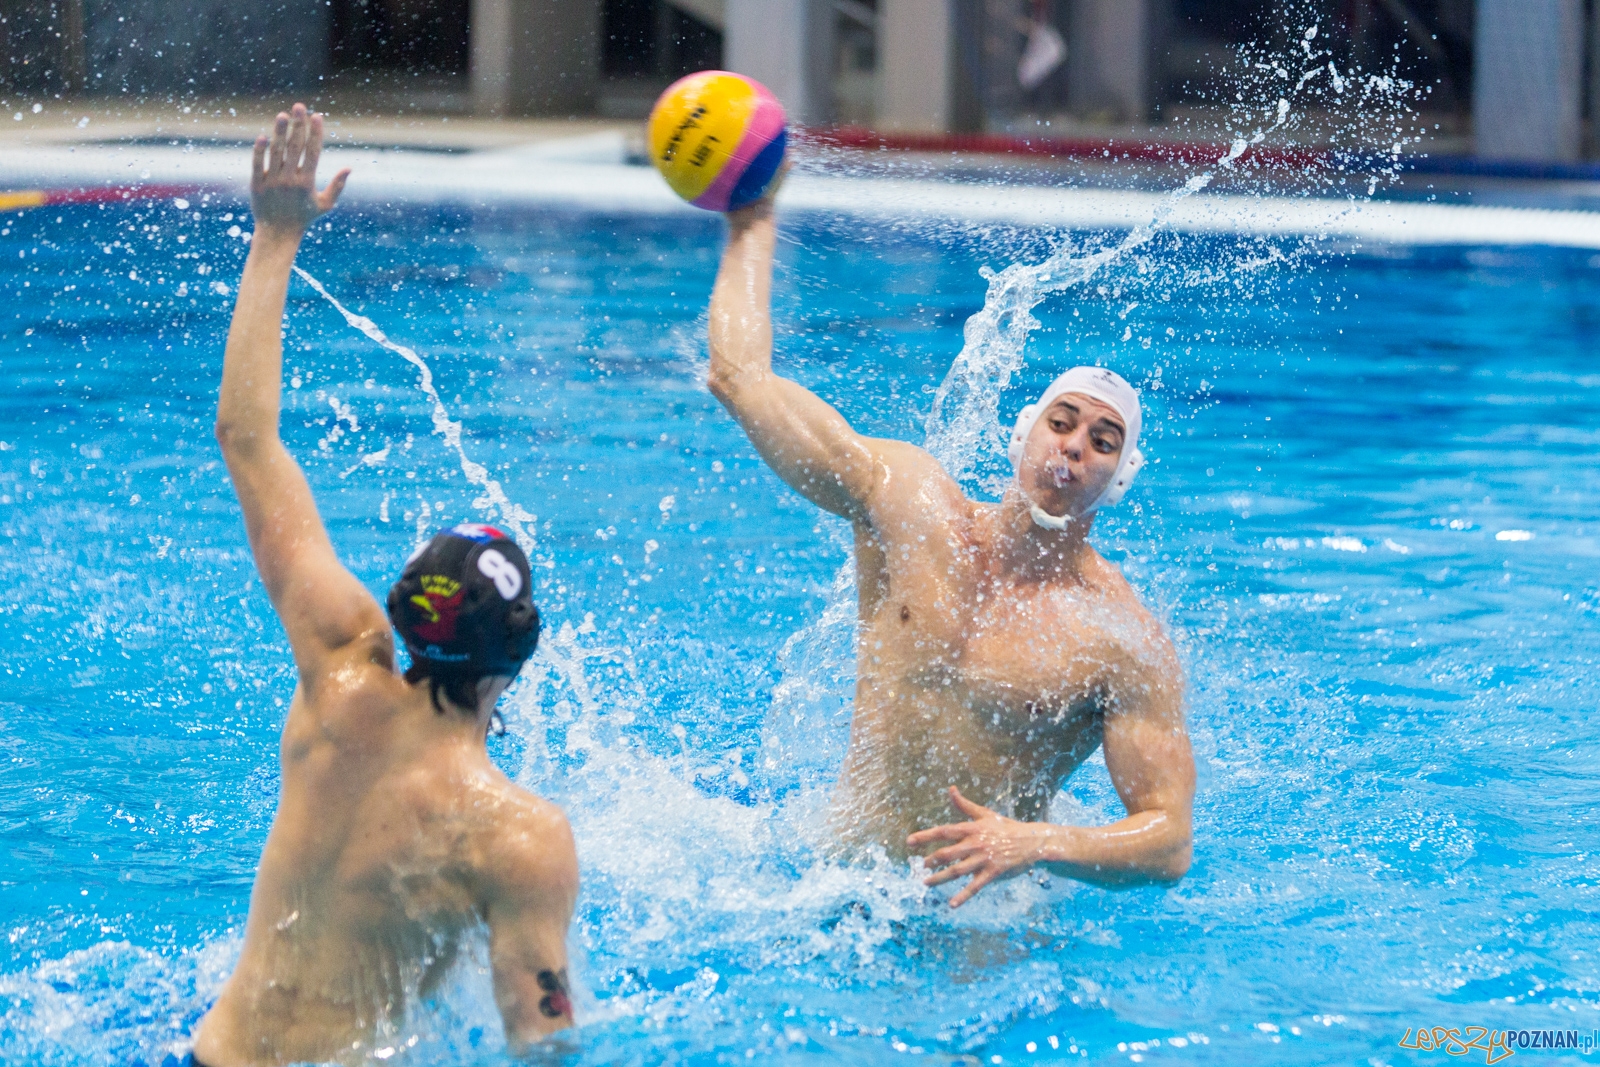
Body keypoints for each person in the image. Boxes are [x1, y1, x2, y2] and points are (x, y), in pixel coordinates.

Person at [191, 104, 577, 1067]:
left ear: (407, 613)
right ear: (521, 650)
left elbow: (247, 439)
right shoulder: (519, 836)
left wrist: (277, 235)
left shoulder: (337, 669)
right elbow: (545, 1040)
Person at [706, 187, 1196, 909]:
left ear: (1117, 480)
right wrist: (752, 220)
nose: (1073, 447)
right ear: (1025, 430)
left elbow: (1170, 839)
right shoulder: (909, 504)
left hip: (977, 919)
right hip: (833, 887)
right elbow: (741, 381)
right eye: (1062, 422)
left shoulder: (1120, 639)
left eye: (1102, 441)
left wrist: (1036, 843)